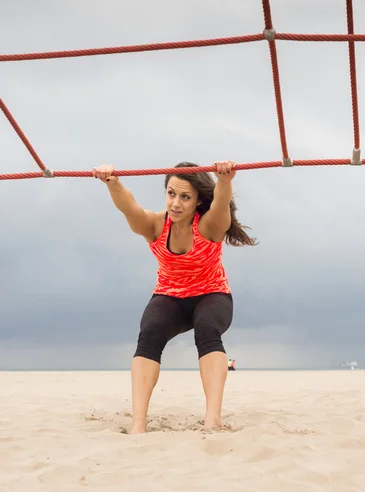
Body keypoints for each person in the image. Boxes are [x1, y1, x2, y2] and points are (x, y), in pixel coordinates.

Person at [92, 160, 257, 433]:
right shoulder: (156, 225)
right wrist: (113, 182)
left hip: (211, 295)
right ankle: (138, 425)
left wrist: (225, 181)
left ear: (197, 201)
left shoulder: (209, 226)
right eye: (171, 193)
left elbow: (220, 204)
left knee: (206, 329)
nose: (176, 203)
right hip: (170, 296)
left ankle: (212, 421)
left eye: (185, 197)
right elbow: (128, 206)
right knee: (150, 331)